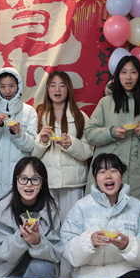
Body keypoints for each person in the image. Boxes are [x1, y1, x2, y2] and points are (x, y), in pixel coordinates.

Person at [61, 153, 140, 278]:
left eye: (114, 171)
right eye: (102, 172)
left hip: (128, 271)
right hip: (90, 274)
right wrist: (89, 242)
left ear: (122, 175)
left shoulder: (137, 207)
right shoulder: (81, 206)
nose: (108, 176)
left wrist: (129, 245)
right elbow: (67, 249)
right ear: (94, 177)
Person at [84, 56, 140, 208]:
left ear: (139, 75)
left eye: (133, 72)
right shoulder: (105, 103)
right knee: (100, 213)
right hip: (107, 168)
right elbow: (89, 133)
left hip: (136, 172)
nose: (128, 77)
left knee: (134, 213)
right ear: (117, 76)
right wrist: (111, 133)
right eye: (124, 72)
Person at [0, 67, 38, 270]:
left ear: (18, 87)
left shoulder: (29, 111)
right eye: (3, 86)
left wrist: (18, 132)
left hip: (20, 177)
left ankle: (19, 269)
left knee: (19, 222)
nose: (7, 90)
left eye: (11, 86)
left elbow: (31, 146)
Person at [32, 71, 93, 220]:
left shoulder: (80, 117)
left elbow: (88, 152)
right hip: (47, 181)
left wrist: (72, 144)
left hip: (73, 183)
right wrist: (43, 141)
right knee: (48, 225)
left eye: (62, 85)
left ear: (68, 89)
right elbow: (32, 154)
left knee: (72, 224)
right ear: (47, 89)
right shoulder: (39, 117)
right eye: (53, 85)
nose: (57, 89)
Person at [0, 157, 63, 278]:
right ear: (16, 181)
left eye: (35, 179)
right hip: (9, 267)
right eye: (23, 179)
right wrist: (20, 238)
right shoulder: (3, 208)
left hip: (40, 265)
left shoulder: (51, 208)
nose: (29, 184)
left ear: (42, 182)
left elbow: (56, 252)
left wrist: (37, 242)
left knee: (41, 267)